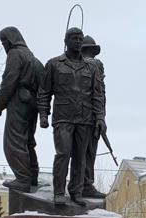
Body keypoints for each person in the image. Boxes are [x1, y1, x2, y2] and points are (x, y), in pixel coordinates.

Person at [37, 27, 106, 206]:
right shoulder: (54, 64)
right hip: (63, 118)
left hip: (85, 119)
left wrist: (100, 118)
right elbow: (44, 92)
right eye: (74, 38)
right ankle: (59, 191)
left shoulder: (91, 68)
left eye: (80, 39)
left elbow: (97, 95)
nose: (77, 41)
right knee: (63, 154)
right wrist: (43, 115)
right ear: (66, 41)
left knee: (80, 157)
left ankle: (76, 191)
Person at [0, 26, 43, 194]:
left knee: (14, 142)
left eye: (3, 41)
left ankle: (23, 178)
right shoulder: (34, 59)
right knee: (28, 141)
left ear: (9, 41)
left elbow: (9, 81)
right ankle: (32, 175)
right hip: (33, 104)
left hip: (18, 102)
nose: (3, 45)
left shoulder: (15, 54)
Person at [80, 35, 105, 199]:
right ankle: (85, 184)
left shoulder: (76, 65)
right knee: (87, 153)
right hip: (89, 118)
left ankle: (82, 183)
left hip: (81, 116)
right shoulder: (95, 64)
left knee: (80, 153)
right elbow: (100, 95)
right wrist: (100, 117)